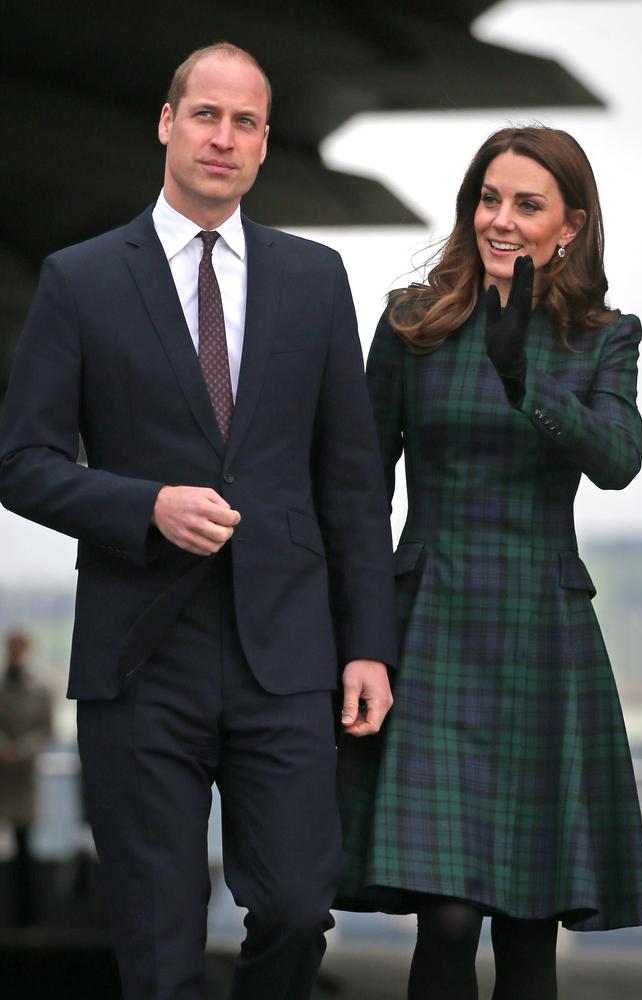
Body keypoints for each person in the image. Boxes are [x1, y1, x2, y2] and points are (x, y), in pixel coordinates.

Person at [0, 42, 397, 1000]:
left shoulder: (315, 278)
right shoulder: (80, 278)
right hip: (141, 662)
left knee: (301, 908)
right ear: (168, 123)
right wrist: (145, 505)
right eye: (207, 115)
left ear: (264, 146)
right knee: (159, 946)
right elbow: (22, 464)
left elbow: (351, 483)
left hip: (289, 658)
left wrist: (368, 646)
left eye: (247, 122)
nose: (225, 137)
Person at [336, 126, 642, 999]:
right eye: (488, 197)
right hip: (428, 623)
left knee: (526, 924)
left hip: (539, 636)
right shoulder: (411, 321)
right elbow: (363, 492)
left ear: (571, 225)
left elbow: (620, 459)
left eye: (526, 203)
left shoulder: (605, 335)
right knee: (445, 916)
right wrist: (359, 637)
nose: (499, 219)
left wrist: (524, 377)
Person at [0, 630, 53, 925]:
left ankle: (25, 919)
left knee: (24, 849)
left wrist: (22, 750)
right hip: (4, 776)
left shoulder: (39, 690)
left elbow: (45, 730)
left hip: (22, 778)